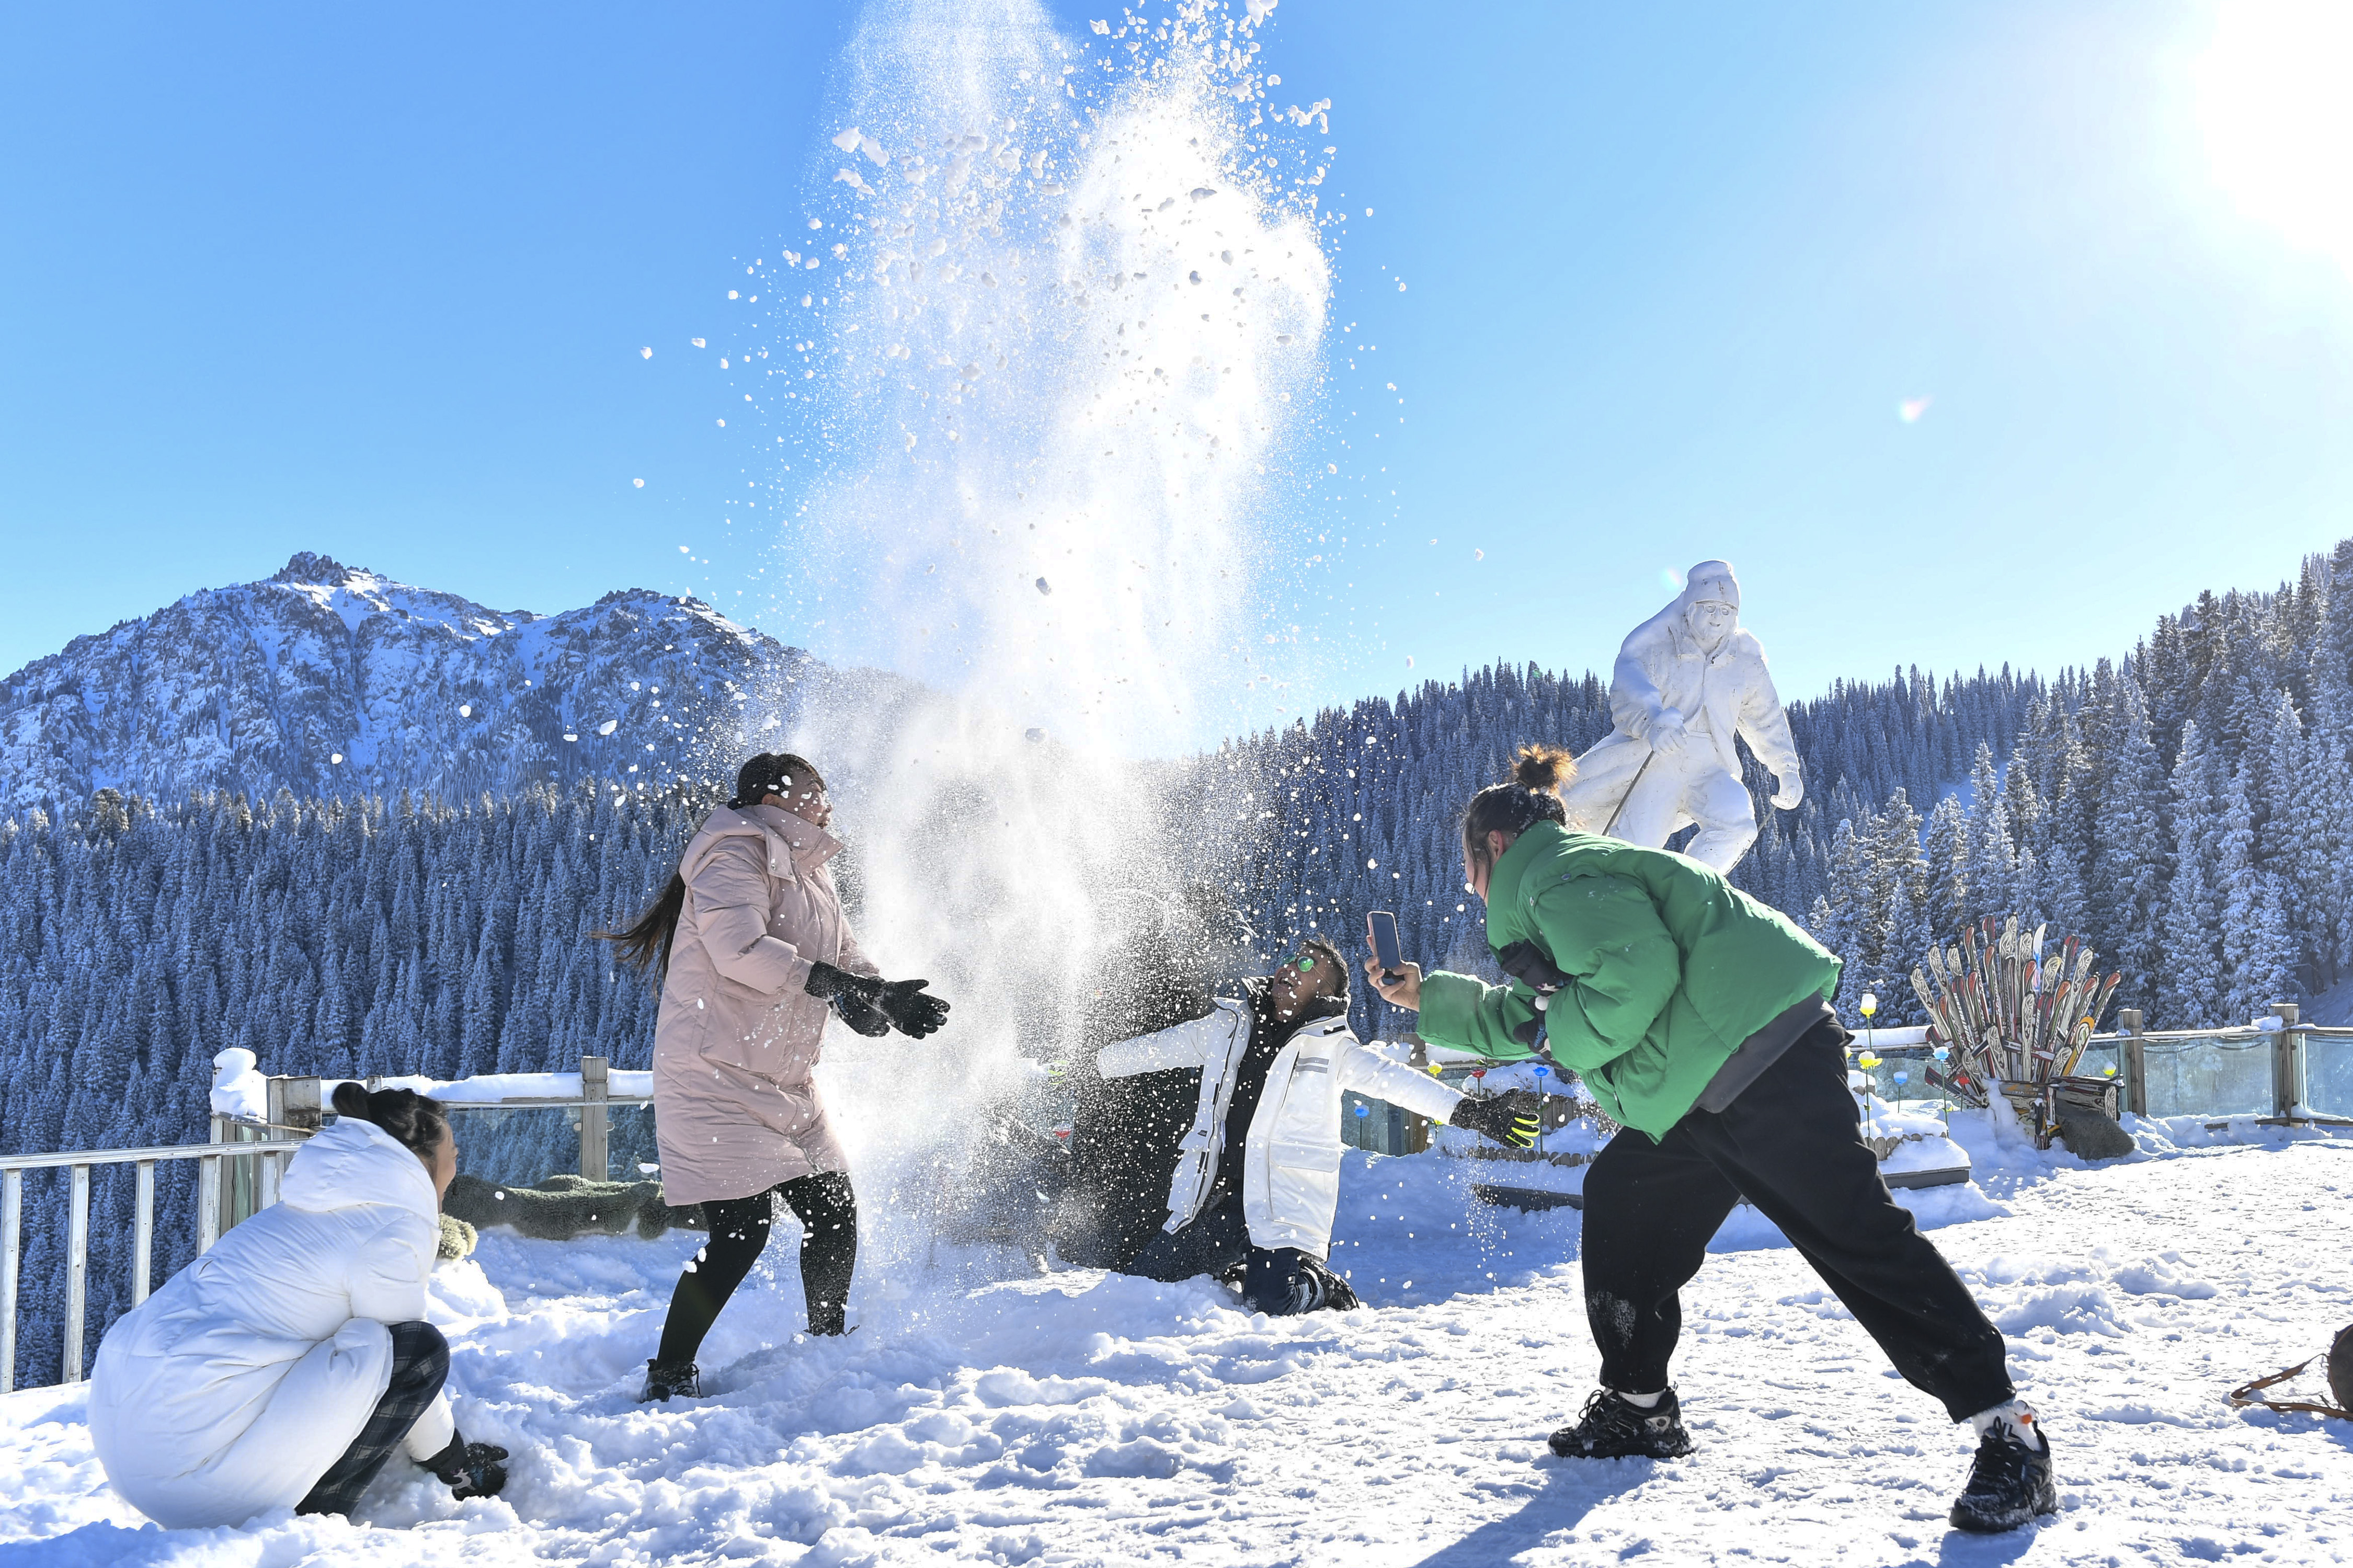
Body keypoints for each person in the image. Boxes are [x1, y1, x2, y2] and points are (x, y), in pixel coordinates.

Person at [1365, 746, 2056, 1535]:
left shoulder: (1552, 877)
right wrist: (1433, 999)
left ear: (1492, 846)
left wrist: (1560, 1033)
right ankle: (1638, 1405)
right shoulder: (1563, 882)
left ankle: (2011, 1435)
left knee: (1854, 1236)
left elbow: (1634, 974)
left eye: (1467, 864)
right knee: (1625, 1204)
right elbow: (1541, 1014)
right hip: (1697, 1084)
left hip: (1762, 1059)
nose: (1468, 884)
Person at [602, 752, 950, 1402]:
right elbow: (740, 949)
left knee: (835, 1212)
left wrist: (880, 1000)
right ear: (775, 795)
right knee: (740, 1233)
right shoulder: (732, 853)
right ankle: (669, 1372)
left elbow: (841, 954)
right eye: (816, 789)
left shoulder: (811, 870)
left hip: (786, 1080)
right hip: (714, 1076)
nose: (827, 801)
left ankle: (827, 1344)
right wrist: (839, 987)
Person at [88, 1085, 509, 1526]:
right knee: (417, 1349)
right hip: (202, 1485)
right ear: (422, 1161)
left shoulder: (301, 1212)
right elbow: (405, 1362)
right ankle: (316, 1519)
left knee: (357, 1342)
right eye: (454, 1155)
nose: (456, 1168)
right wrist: (453, 1460)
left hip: (136, 1456)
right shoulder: (391, 1229)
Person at [1084, 936, 1539, 1314]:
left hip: (1282, 1204)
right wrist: (1095, 1064)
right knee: (1140, 1286)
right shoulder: (1227, 1026)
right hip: (1215, 1195)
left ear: (1327, 989)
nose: (1289, 967)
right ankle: (1239, 1263)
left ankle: (1320, 1284)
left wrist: (1472, 1113)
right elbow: (1157, 1049)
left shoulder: (1334, 1048)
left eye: (1306, 963)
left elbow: (1399, 1083)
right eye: (1288, 958)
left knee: (1274, 1301)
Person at [1559, 559, 1803, 873]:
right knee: (1636, 847)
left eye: (1727, 611)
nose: (1718, 619)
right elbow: (1629, 690)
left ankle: (1683, 889)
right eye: (1710, 609)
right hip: (1660, 763)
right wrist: (1652, 723)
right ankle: (1608, 903)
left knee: (1737, 825)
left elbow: (1766, 716)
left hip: (1713, 767)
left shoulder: (1745, 661)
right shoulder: (1658, 647)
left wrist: (1786, 768)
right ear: (1691, 608)